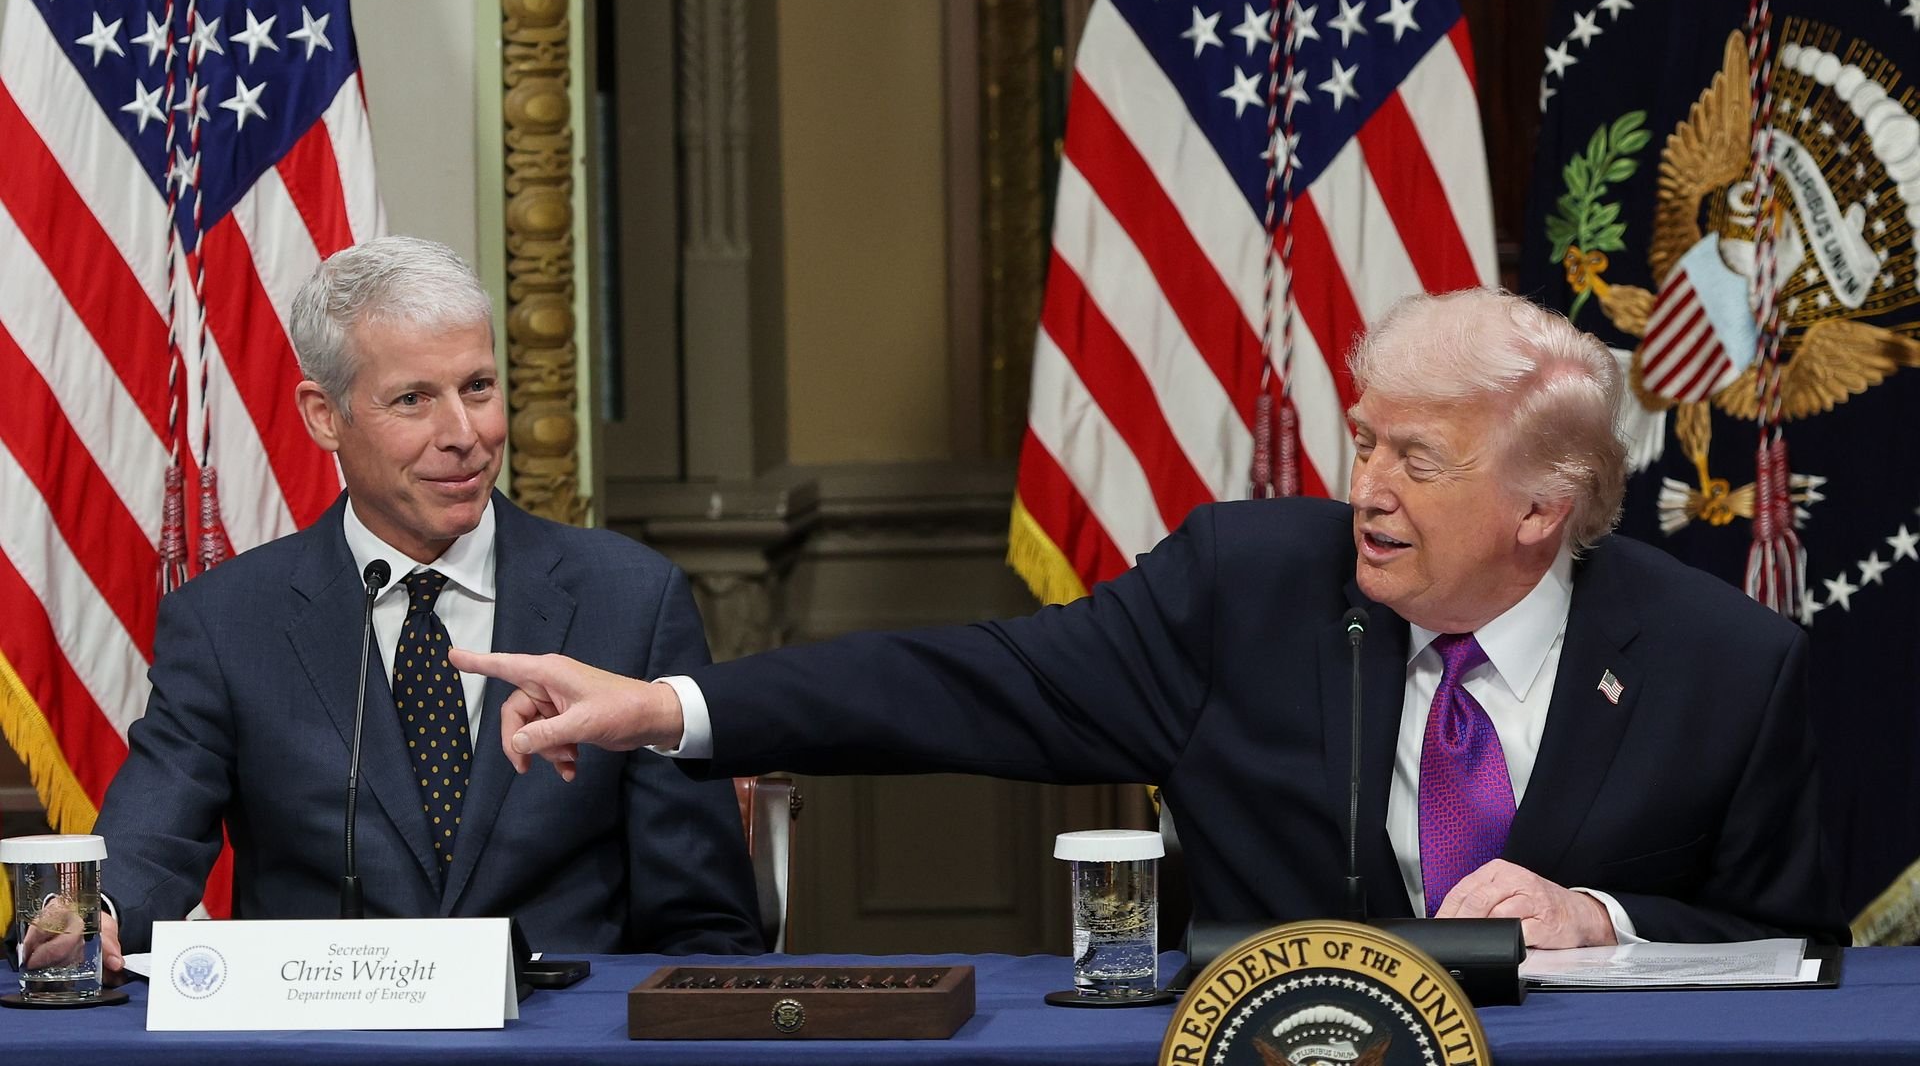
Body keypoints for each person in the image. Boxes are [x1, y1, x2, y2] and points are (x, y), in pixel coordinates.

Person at [455, 287, 1847, 948]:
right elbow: (963, 683)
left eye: (1415, 462)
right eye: (1361, 442)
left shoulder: (1728, 667)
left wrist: (1598, 915)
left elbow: (1795, 942)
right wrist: (666, 709)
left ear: (1545, 508)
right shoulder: (1246, 590)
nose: (1362, 490)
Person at [92, 236, 762, 972]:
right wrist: (96, 916)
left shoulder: (629, 599)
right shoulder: (228, 621)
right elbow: (150, 839)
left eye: (477, 388)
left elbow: (704, 923)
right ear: (323, 416)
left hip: (563, 1044)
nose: (465, 436)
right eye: (414, 399)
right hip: (325, 1046)